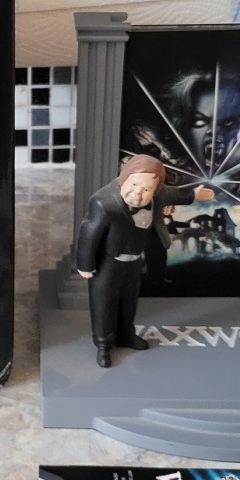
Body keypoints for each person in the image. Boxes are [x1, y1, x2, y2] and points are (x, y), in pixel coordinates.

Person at [73, 154, 213, 368]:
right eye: (134, 185)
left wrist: (195, 194)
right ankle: (103, 344)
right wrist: (85, 265)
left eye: (146, 189)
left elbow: (175, 194)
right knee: (104, 303)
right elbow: (89, 232)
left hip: (134, 262)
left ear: (155, 190)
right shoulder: (104, 202)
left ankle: (126, 335)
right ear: (124, 178)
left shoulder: (159, 194)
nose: (138, 193)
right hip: (107, 263)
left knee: (129, 301)